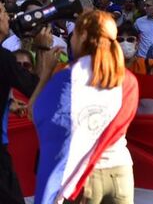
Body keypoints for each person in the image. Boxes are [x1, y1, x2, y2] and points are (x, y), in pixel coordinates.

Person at [30, 10, 138, 204]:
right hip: (121, 173)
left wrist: (46, 74)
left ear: (84, 36)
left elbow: (35, 114)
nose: (71, 41)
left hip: (83, 178)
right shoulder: (128, 79)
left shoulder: (69, 79)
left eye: (75, 35)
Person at [0, 3, 39, 204]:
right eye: (3, 12)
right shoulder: (4, 58)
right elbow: (36, 88)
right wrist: (43, 50)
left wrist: (8, 103)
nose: (8, 17)